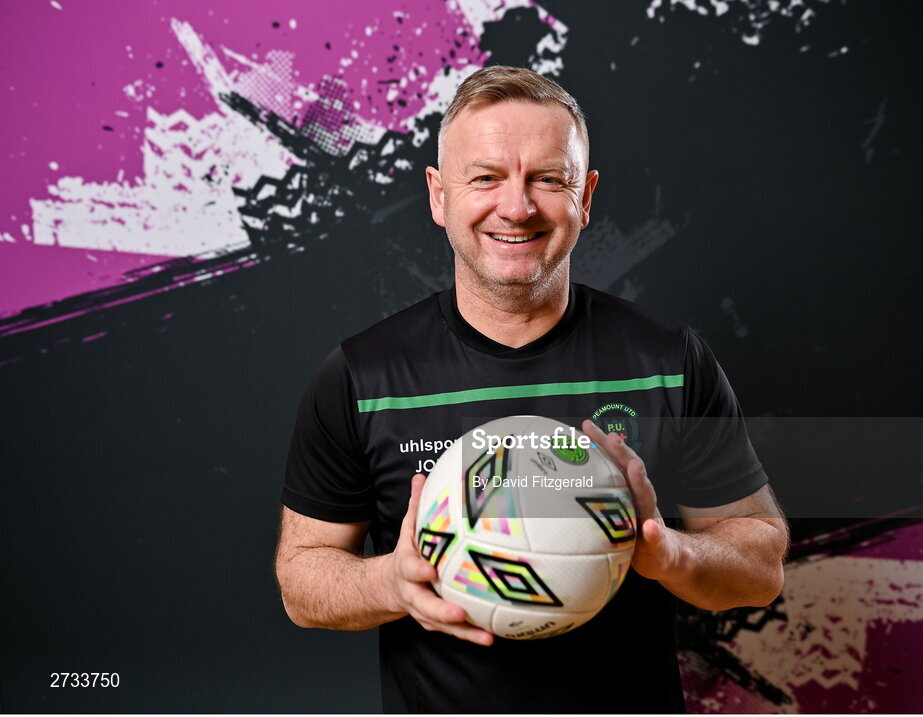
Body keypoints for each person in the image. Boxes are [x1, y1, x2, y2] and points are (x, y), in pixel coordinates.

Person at [275, 65, 788, 713]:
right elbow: (302, 579)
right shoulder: (362, 375)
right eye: (486, 177)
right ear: (438, 195)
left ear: (587, 196)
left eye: (548, 179)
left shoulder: (667, 360)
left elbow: (761, 566)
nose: (516, 207)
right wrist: (392, 583)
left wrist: (667, 551)